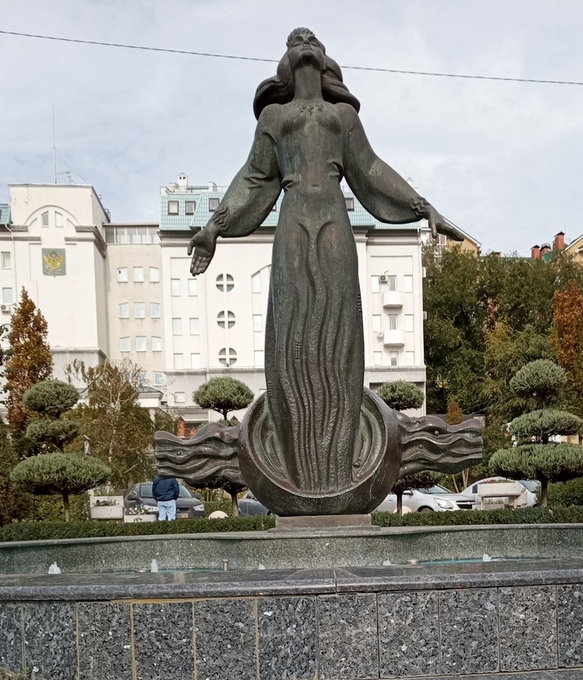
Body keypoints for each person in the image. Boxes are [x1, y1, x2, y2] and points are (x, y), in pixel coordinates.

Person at [188, 27, 463, 497]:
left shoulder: (342, 118)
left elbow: (371, 169)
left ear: (323, 58)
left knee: (339, 325)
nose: (303, 40)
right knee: (292, 327)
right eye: (295, 40)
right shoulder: (274, 117)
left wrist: (423, 207)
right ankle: (300, 463)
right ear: (286, 63)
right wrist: (215, 226)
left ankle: (337, 460)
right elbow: (253, 178)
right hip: (293, 225)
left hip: (334, 223)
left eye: (311, 39)